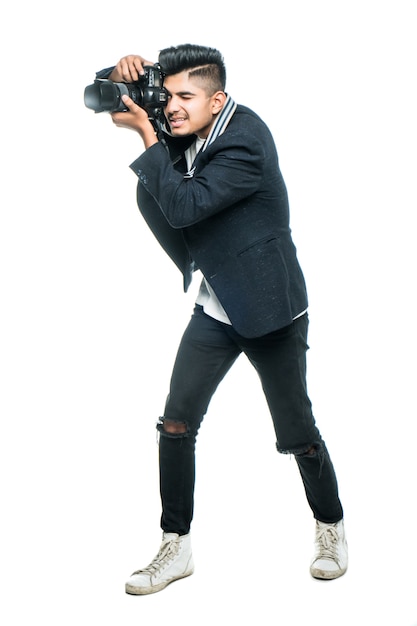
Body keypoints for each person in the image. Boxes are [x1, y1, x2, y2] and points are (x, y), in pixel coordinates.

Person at [96, 43, 348, 595]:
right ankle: (175, 545)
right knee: (175, 422)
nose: (172, 107)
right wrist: (123, 76)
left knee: (296, 431)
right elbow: (115, 110)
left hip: (268, 304)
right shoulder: (186, 123)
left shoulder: (245, 141)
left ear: (218, 100)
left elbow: (183, 205)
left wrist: (147, 134)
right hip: (215, 303)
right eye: (169, 96)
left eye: (186, 97)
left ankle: (330, 526)